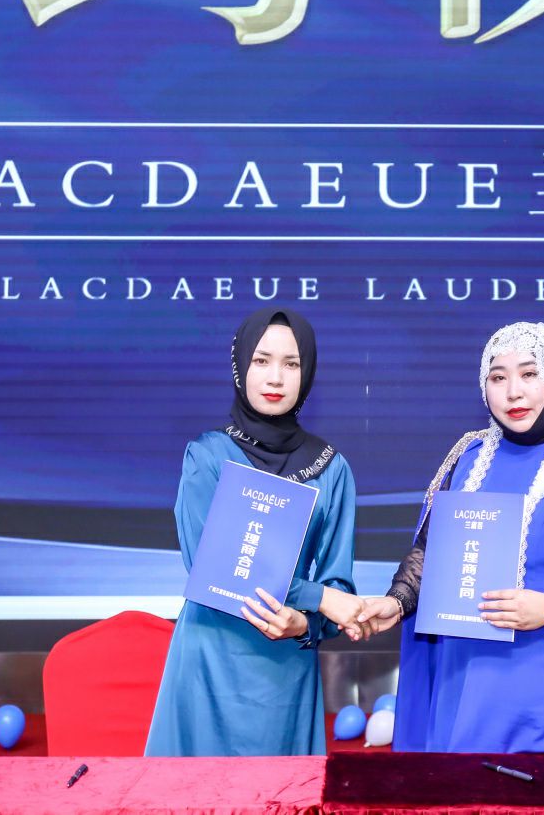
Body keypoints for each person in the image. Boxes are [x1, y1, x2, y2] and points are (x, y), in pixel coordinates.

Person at [355, 321, 544, 753]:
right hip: (468, 696)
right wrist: (395, 602)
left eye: (529, 374)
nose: (513, 392)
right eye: (498, 377)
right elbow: (430, 552)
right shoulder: (467, 457)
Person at [145, 308, 365, 756]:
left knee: (280, 790)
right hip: (209, 658)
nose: (275, 377)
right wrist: (318, 598)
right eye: (261, 360)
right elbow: (214, 567)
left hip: (283, 665)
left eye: (291, 363)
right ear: (240, 366)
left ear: (308, 372)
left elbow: (339, 586)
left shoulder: (332, 469)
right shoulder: (207, 456)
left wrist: (305, 622)